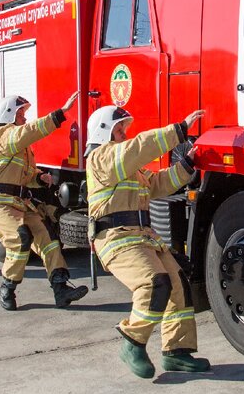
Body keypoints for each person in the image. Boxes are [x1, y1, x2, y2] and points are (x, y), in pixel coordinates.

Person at [86, 105, 209, 379]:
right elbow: (137, 148)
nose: (124, 134)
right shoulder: (100, 158)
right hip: (115, 238)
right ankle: (132, 343)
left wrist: (187, 164)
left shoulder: (132, 169)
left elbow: (159, 184)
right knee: (154, 283)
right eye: (119, 129)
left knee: (178, 284)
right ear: (103, 132)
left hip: (141, 238)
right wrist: (178, 131)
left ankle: (177, 352)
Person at [0, 92, 89, 311]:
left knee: (48, 238)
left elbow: (27, 177)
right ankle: (7, 287)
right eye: (21, 113)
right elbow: (31, 131)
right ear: (9, 114)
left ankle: (61, 289)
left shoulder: (21, 148)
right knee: (21, 239)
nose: (25, 117)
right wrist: (60, 114)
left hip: (18, 203)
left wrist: (40, 178)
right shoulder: (3, 134)